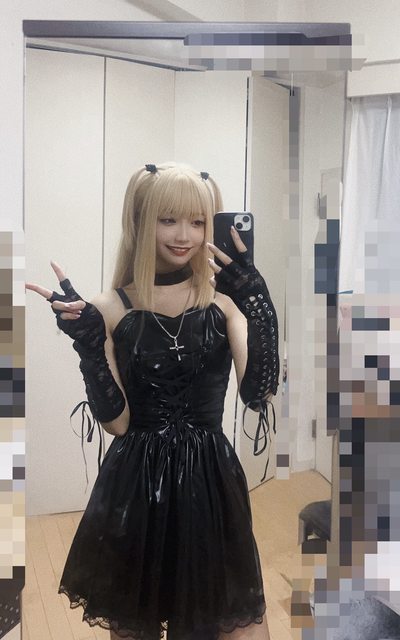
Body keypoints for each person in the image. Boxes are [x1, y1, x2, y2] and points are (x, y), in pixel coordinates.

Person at [26, 162, 279, 640]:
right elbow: (117, 423)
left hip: (211, 483)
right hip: (136, 486)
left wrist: (259, 306)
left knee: (237, 626)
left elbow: (257, 393)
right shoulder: (109, 307)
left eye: (197, 221)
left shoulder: (224, 303)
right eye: (168, 219)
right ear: (141, 222)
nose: (184, 235)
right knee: (135, 627)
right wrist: (89, 346)